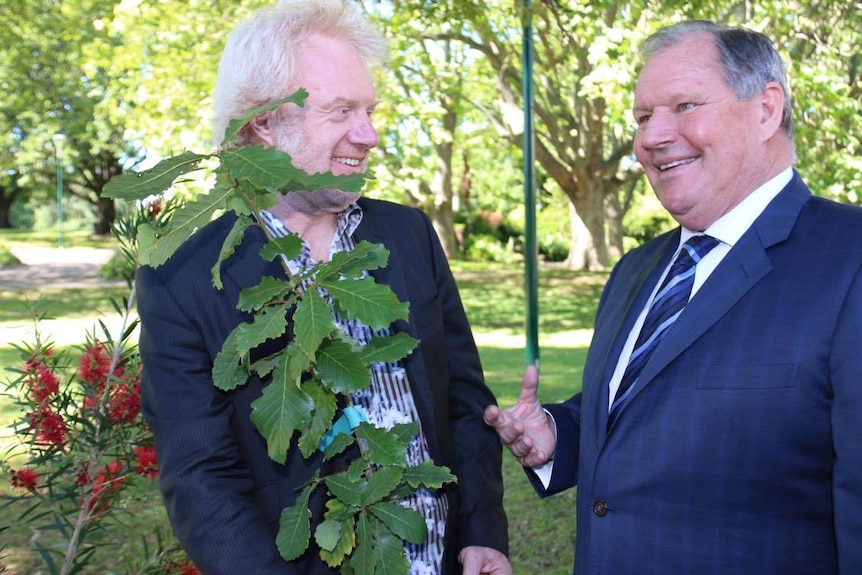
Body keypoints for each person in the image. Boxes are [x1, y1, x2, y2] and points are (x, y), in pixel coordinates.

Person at [135, 1, 510, 573]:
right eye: (341, 112)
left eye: (370, 110)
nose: (371, 134)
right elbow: (201, 479)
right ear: (263, 122)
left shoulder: (408, 235)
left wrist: (483, 533)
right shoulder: (184, 279)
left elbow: (462, 397)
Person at [484, 20, 862, 575]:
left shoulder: (850, 259)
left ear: (766, 109)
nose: (651, 138)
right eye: (642, 117)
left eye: (684, 106)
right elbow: (645, 414)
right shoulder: (637, 270)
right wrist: (558, 435)